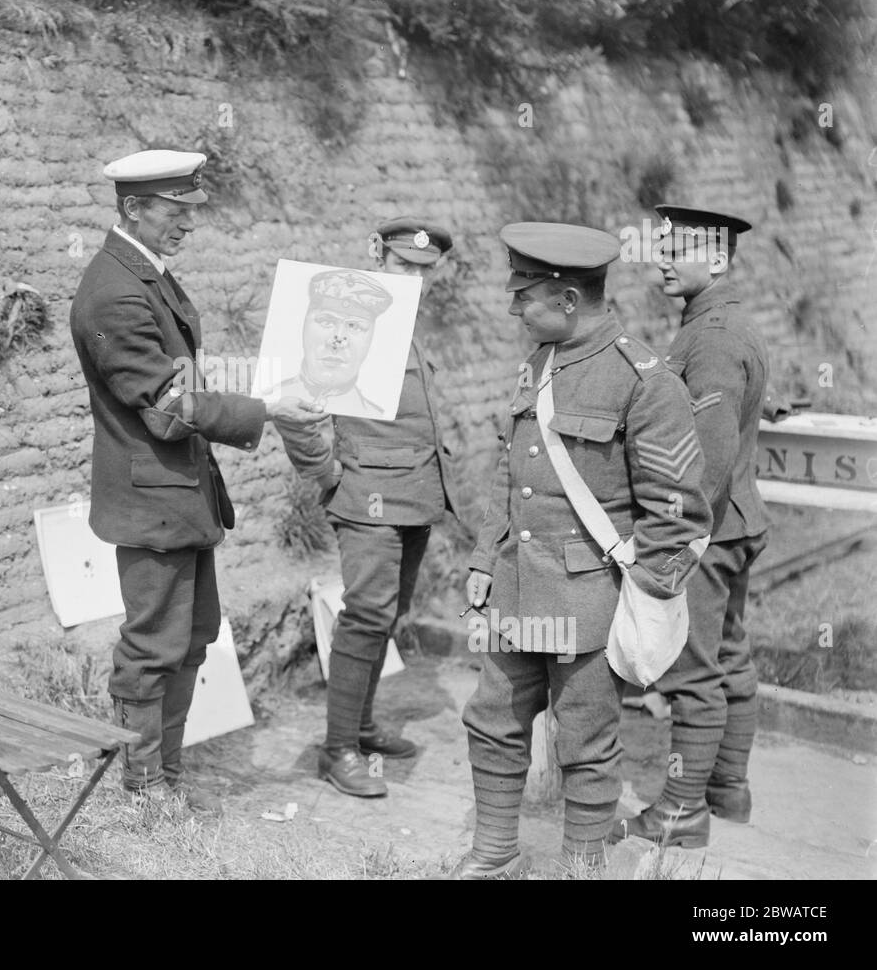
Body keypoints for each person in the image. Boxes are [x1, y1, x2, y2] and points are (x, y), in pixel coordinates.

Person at [451, 222, 713, 878]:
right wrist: (486, 557)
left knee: (587, 741)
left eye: (525, 296)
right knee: (492, 719)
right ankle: (494, 856)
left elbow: (678, 512)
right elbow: (507, 470)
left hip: (592, 601)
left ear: (567, 298)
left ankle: (582, 865)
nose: (514, 309)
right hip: (518, 592)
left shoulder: (643, 380)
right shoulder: (538, 361)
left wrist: (642, 598)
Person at [69, 149, 326, 809]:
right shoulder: (115, 290)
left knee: (194, 634)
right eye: (173, 211)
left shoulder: (148, 275)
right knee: (154, 644)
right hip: (152, 500)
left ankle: (167, 775)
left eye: (189, 211)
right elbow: (166, 407)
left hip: (179, 494)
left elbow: (182, 395)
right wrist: (263, 407)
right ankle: (143, 785)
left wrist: (197, 401)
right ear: (132, 208)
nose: (186, 225)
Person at [275, 218, 456, 797]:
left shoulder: (403, 322)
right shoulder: (343, 319)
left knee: (388, 614)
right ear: (375, 254)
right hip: (369, 501)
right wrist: (330, 477)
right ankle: (338, 751)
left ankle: (363, 725)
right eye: (405, 266)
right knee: (366, 615)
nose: (416, 280)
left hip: (414, 496)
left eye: (425, 271)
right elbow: (295, 404)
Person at [608, 205, 770, 847]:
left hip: (710, 528)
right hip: (739, 522)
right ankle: (728, 788)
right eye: (663, 248)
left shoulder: (712, 338)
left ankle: (681, 811)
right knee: (730, 652)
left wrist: (673, 540)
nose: (664, 260)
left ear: (721, 260)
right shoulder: (722, 324)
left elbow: (708, 452)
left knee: (694, 670)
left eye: (681, 250)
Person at [262, 269, 393, 417]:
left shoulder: (375, 415)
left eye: (354, 326)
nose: (337, 342)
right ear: (303, 326)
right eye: (326, 321)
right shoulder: (266, 402)